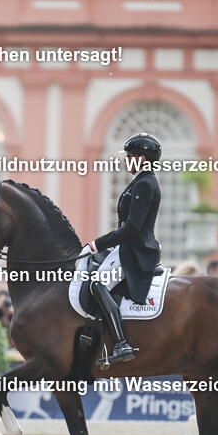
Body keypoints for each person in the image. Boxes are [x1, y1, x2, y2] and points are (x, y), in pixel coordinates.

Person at [84, 132, 162, 365]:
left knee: (97, 283)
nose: (127, 160)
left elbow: (132, 228)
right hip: (126, 247)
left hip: (135, 250)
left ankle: (121, 343)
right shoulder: (139, 181)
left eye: (130, 156)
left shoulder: (145, 183)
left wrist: (98, 243)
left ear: (142, 158)